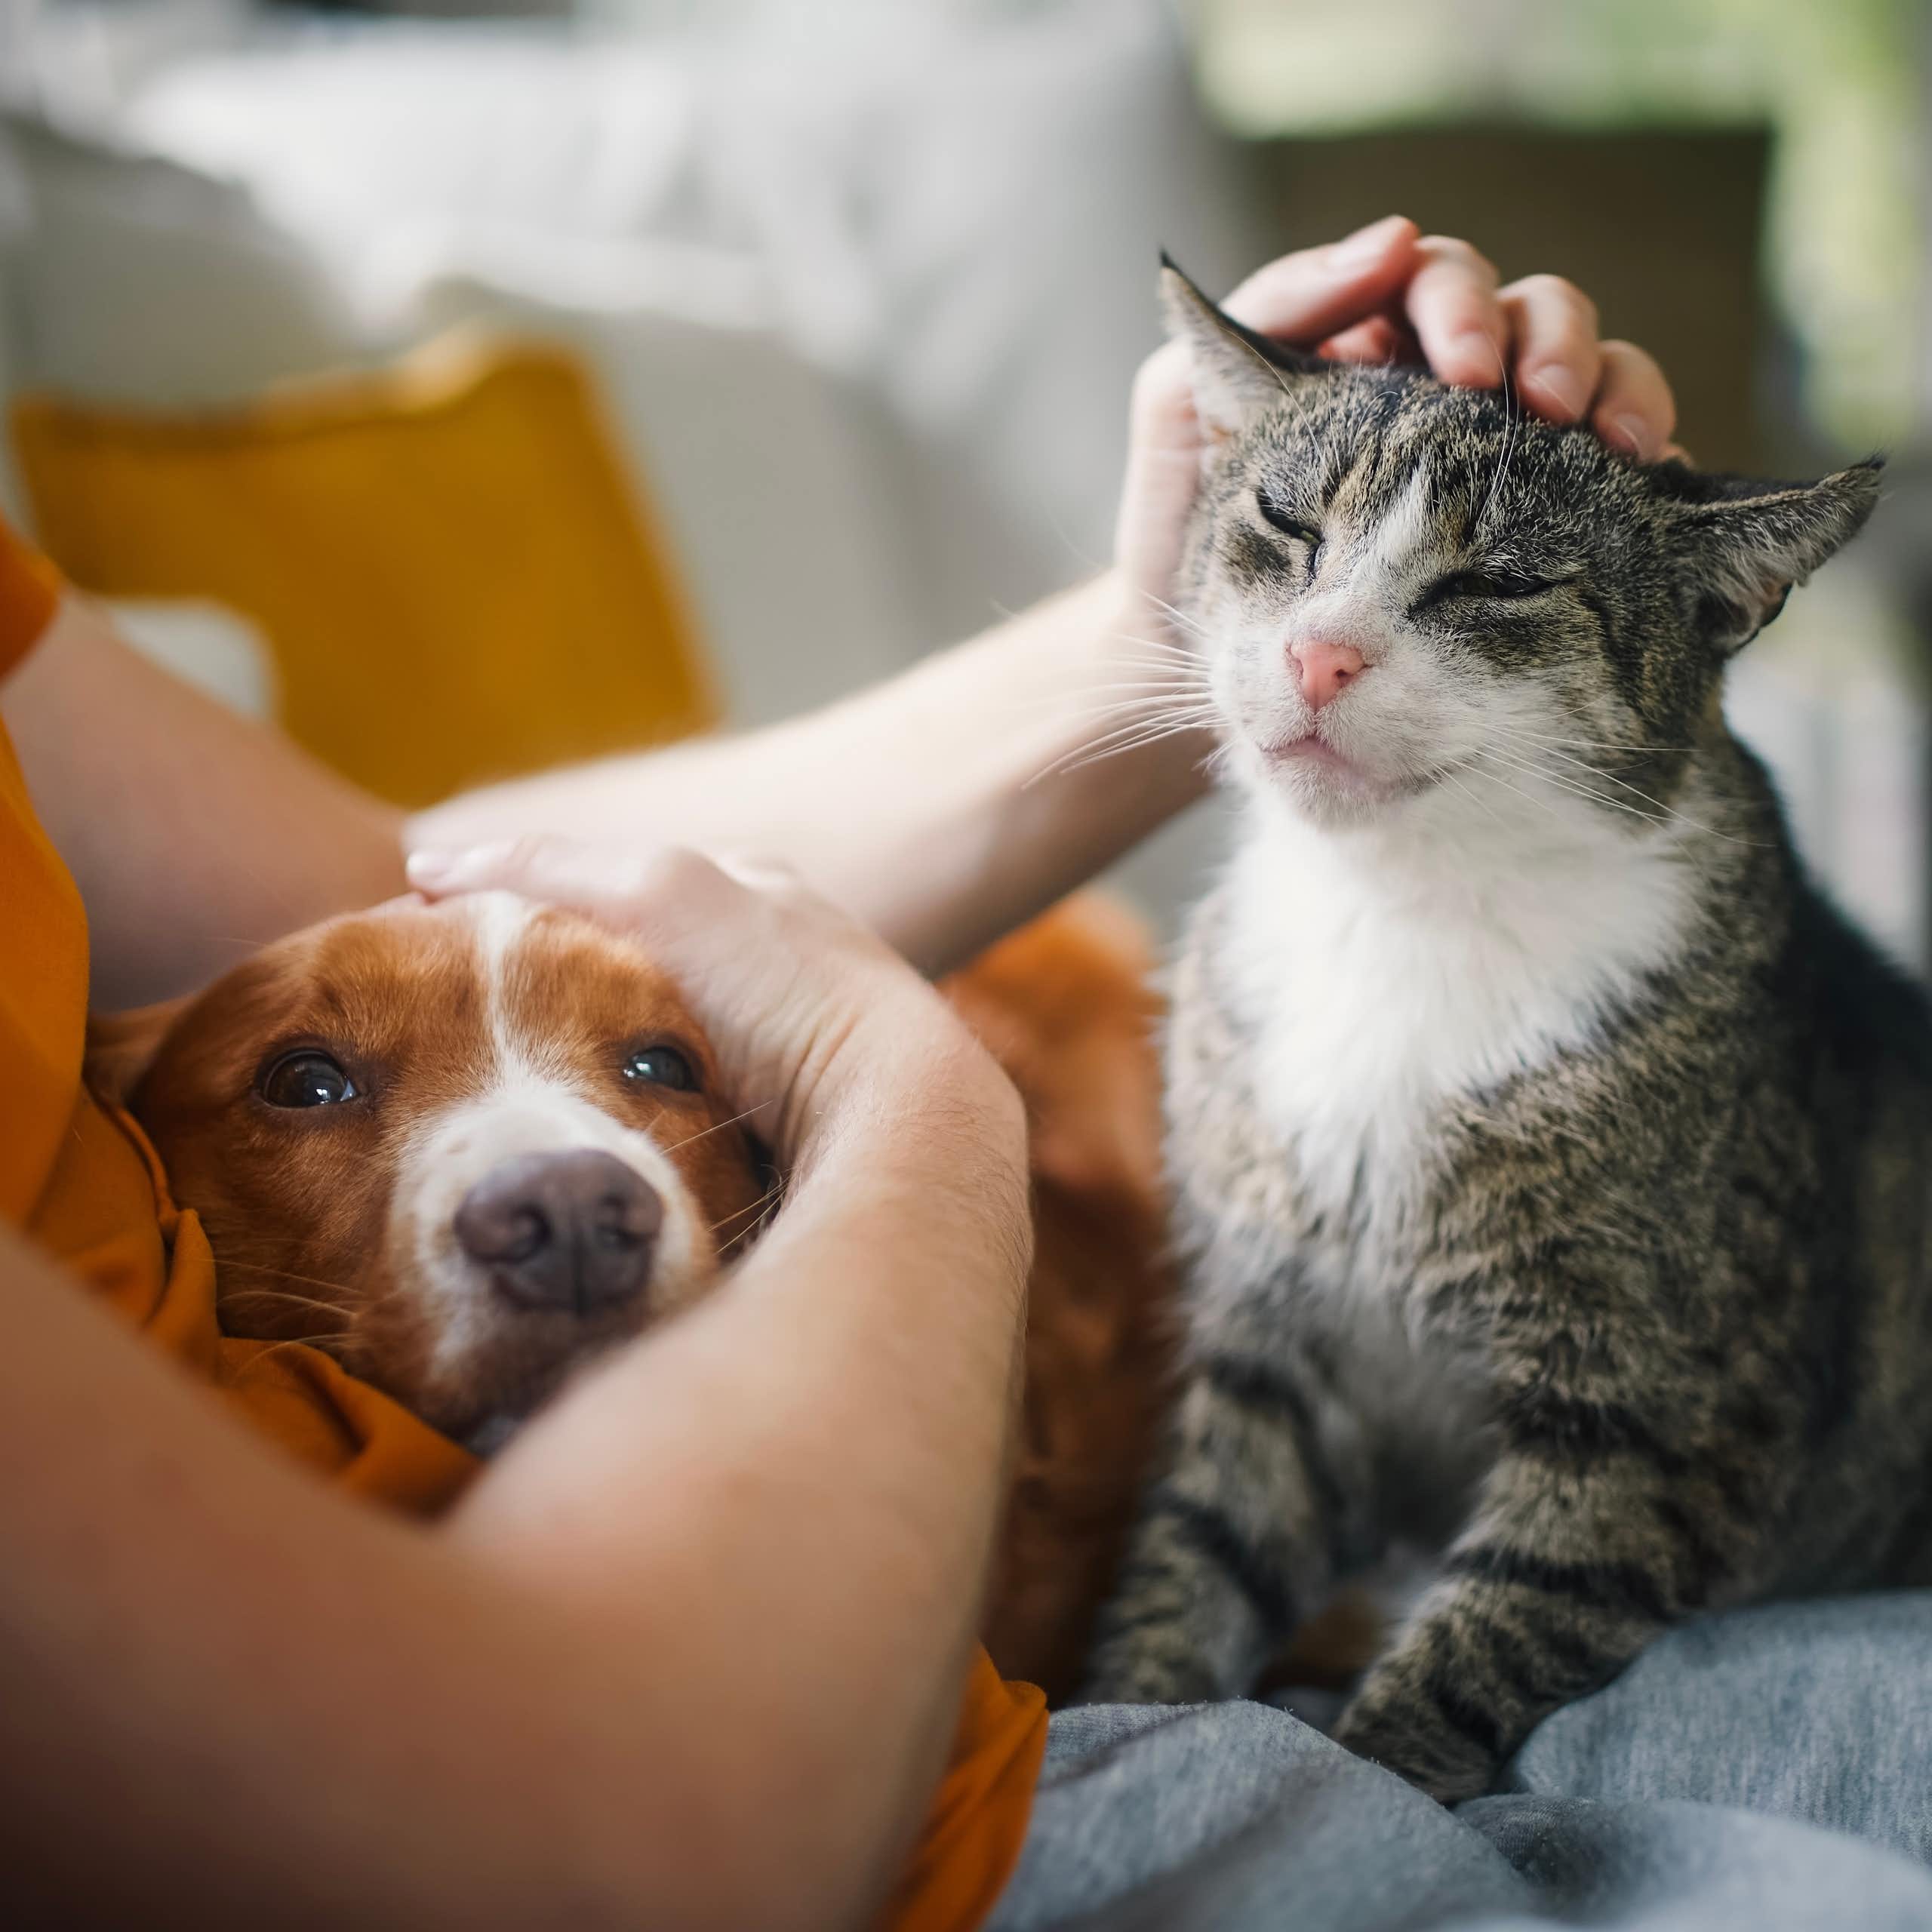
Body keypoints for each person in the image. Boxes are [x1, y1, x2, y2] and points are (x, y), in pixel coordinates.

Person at [4, 217, 1923, 1932]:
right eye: (1289, 558)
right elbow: (597, 1839)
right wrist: (900, 1090)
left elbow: (401, 895)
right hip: (922, 1819)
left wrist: (1158, 626)